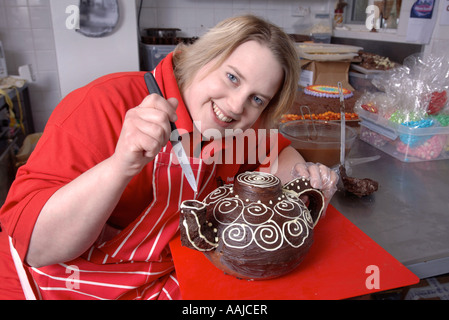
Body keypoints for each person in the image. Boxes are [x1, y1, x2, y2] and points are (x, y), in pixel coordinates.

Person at [0, 15, 338, 300]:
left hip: (149, 278)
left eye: (257, 99)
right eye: (232, 78)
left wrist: (303, 177)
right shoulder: (103, 104)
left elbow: (276, 150)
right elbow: (37, 247)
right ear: (205, 57)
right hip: (44, 283)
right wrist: (122, 165)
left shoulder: (238, 130)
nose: (236, 106)